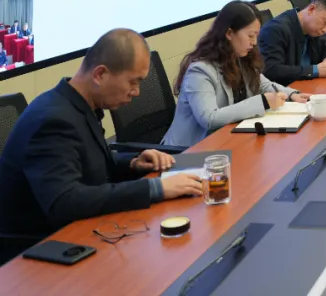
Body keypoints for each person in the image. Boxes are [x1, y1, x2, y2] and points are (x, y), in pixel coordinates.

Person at [0, 30, 204, 259]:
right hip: (34, 256)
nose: (136, 92)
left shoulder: (76, 104)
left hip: (75, 235)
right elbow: (65, 202)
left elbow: (88, 162)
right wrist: (156, 189)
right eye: (133, 82)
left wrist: (133, 163)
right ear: (100, 74)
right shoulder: (51, 121)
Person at [163, 1, 309, 147]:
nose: (254, 42)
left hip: (225, 141)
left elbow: (264, 84)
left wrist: (292, 94)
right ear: (229, 33)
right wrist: (263, 102)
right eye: (250, 36)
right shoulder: (200, 70)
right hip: (188, 150)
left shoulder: (240, 57)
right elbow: (209, 119)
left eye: (256, 35)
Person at [258, 0, 326, 86]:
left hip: (309, 86)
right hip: (284, 90)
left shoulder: (313, 28)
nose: (325, 30)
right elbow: (272, 70)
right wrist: (314, 70)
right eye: (325, 22)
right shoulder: (275, 30)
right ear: (311, 9)